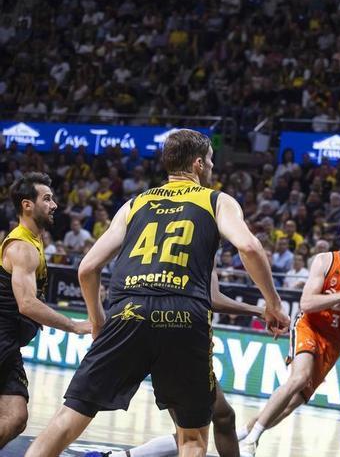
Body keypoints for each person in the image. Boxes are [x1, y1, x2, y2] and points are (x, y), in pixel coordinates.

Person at [26, 129, 291, 457]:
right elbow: (249, 246)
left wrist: (98, 322)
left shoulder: (135, 203)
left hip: (128, 310)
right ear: (197, 165)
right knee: (192, 439)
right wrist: (274, 304)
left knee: (69, 416)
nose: (211, 168)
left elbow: (87, 269)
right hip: (183, 314)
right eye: (209, 161)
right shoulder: (216, 200)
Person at [239, 214, 340, 456]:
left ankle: (245, 433)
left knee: (294, 402)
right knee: (299, 378)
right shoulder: (324, 260)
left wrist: (338, 300)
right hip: (310, 326)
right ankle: (253, 440)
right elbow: (307, 302)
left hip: (335, 340)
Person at [98, 271, 279, 457]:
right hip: (177, 335)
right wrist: (259, 310)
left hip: (159, 330)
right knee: (195, 433)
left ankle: (115, 456)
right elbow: (213, 299)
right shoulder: (202, 245)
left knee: (218, 419)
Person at [0, 173, 91, 449]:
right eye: (47, 199)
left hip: (9, 344)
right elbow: (27, 304)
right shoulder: (22, 247)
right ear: (27, 205)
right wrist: (74, 326)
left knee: (15, 416)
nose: (55, 205)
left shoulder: (36, 241)